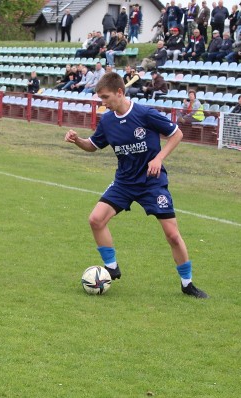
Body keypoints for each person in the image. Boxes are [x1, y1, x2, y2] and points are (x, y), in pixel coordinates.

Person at [64, 72, 209, 299]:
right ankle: (111, 268)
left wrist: (158, 158)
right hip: (124, 182)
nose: (102, 102)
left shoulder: (145, 114)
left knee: (172, 235)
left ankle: (187, 284)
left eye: (105, 97)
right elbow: (93, 145)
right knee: (95, 219)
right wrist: (78, 141)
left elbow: (177, 134)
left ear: (120, 93)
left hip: (152, 183)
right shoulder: (108, 120)